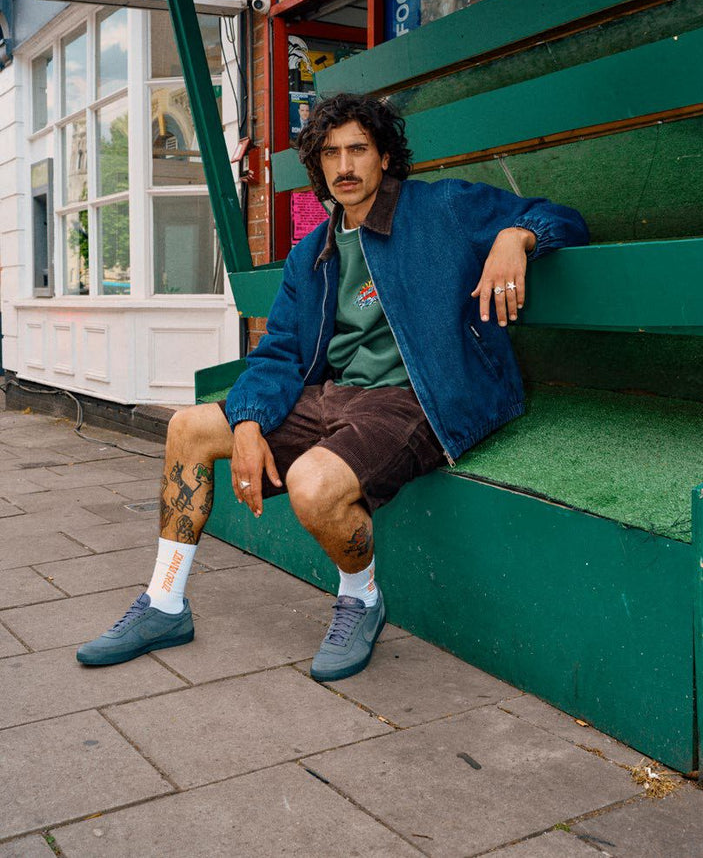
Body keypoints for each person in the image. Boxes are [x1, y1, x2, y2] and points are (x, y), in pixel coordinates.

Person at [77, 93, 589, 681]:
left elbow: (564, 220)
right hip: (333, 395)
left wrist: (514, 236)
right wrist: (247, 421)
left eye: (358, 149)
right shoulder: (311, 254)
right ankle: (165, 603)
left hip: (418, 397)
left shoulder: (442, 207)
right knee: (188, 427)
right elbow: (279, 352)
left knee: (313, 486)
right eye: (330, 154)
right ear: (317, 165)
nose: (344, 166)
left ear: (385, 156)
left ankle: (362, 599)